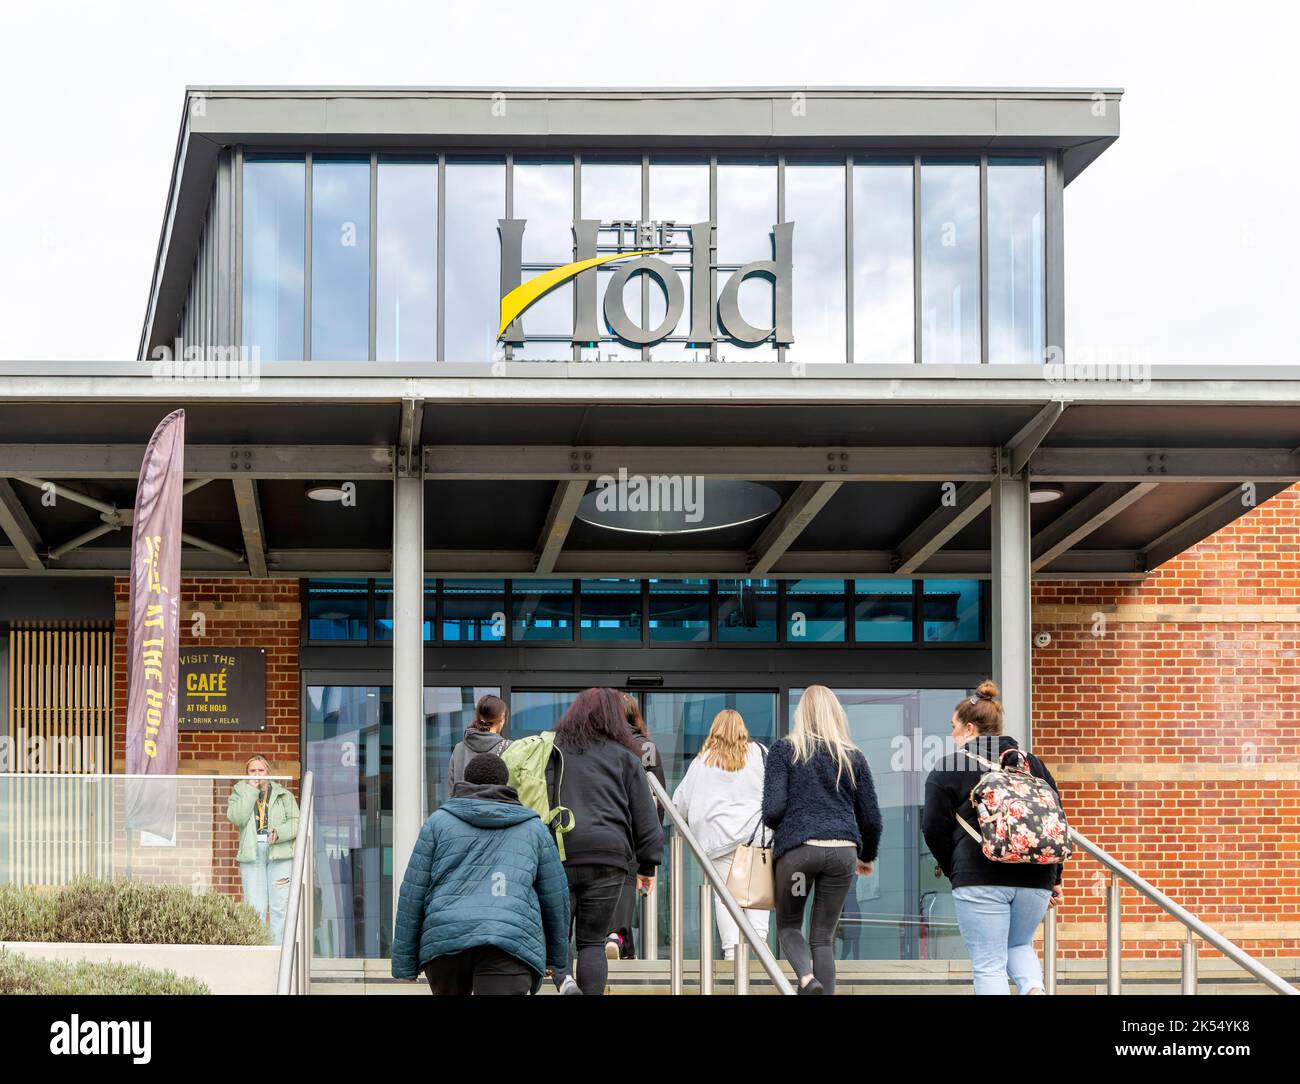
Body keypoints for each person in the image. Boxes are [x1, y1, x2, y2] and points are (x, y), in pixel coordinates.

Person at [921, 680, 1065, 996]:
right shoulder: (1033, 763)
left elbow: (933, 826)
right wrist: (1054, 877)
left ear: (970, 728)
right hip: (1035, 877)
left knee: (989, 964)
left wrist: (952, 866)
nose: (952, 735)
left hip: (979, 875)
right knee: (1018, 943)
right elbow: (1054, 818)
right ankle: (1034, 991)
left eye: (954, 727)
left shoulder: (950, 765)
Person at [392, 753, 570, 995]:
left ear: (466, 781)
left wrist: (405, 965)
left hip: (447, 943)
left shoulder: (438, 824)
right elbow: (556, 897)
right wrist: (557, 960)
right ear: (506, 783)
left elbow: (412, 893)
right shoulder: (534, 829)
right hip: (511, 943)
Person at [762, 685, 882, 995]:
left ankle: (805, 979)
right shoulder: (853, 757)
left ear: (800, 714)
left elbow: (773, 809)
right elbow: (871, 819)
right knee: (823, 938)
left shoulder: (784, 750)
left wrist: (783, 825)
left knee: (789, 925)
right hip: (842, 855)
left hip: (800, 856)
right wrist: (866, 856)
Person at [550, 687, 663, 995]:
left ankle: (564, 981)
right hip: (608, 857)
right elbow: (646, 813)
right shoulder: (625, 756)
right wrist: (648, 864)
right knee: (592, 942)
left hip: (560, 852)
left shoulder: (553, 749)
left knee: (560, 935)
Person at [672, 708, 770, 960]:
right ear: (742, 729)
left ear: (714, 730)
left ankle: (731, 953)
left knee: (724, 898)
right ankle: (760, 948)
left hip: (717, 843)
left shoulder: (702, 761)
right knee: (757, 891)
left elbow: (678, 803)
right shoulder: (759, 754)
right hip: (753, 838)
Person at [606, 693, 666, 961]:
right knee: (626, 882)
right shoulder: (646, 747)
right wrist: (651, 841)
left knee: (602, 884)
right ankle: (617, 938)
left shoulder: (598, 745)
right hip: (632, 828)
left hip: (601, 826)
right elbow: (659, 799)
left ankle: (616, 941)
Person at [227, 755, 300, 946]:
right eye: (253, 771)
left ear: (268, 772)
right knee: (254, 907)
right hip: (252, 853)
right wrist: (251, 790)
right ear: (247, 774)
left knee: (279, 907)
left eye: (261, 770)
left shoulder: (284, 794)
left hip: (279, 853)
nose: (257, 774)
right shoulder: (238, 792)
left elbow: (297, 823)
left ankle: (278, 952)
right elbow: (238, 818)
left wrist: (280, 832)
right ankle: (257, 951)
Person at [447, 693, 510, 793]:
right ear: (502, 718)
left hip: (463, 807)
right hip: (497, 808)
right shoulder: (510, 748)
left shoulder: (459, 749)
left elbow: (452, 789)